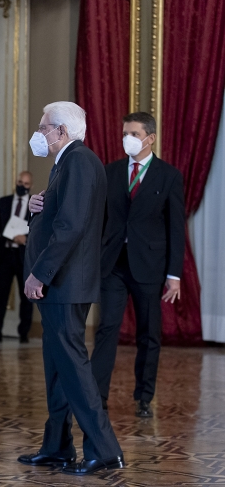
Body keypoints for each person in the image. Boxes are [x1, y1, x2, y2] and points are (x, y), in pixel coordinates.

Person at [19, 101, 124, 476]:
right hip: (62, 285)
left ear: (61, 131)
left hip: (63, 284)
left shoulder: (78, 161)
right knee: (58, 369)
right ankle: (57, 447)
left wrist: (40, 273)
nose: (39, 133)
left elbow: (72, 227)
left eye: (43, 127)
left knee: (75, 370)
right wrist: (38, 207)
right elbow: (63, 216)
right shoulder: (67, 163)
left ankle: (104, 450)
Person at [90, 112, 185, 418]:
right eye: (124, 133)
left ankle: (144, 397)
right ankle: (97, 396)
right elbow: (100, 219)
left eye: (133, 133)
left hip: (149, 266)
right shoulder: (111, 171)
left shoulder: (169, 176)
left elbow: (176, 229)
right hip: (113, 264)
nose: (127, 139)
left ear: (150, 138)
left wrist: (174, 275)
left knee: (148, 333)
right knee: (107, 328)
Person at [0, 171, 34, 344]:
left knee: (26, 297)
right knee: (1, 296)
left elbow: (40, 230)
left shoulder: (35, 204)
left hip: (24, 257)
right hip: (5, 256)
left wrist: (26, 239)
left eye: (26, 184)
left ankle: (24, 333)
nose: (22, 186)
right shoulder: (4, 202)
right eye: (20, 182)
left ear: (30, 186)